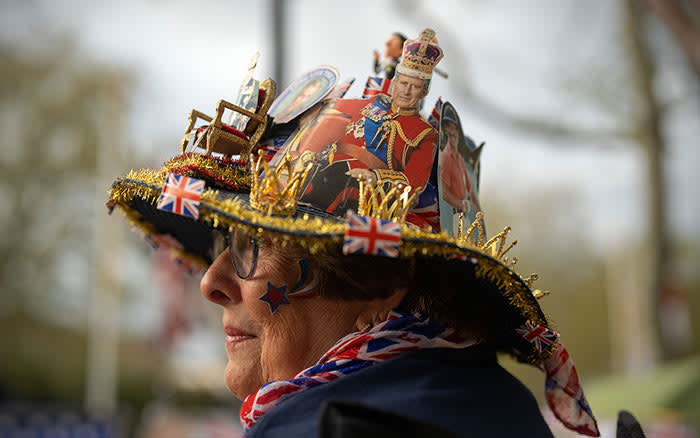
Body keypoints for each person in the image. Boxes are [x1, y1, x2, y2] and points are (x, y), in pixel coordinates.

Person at [107, 28, 600, 438]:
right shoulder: (496, 406)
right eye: (223, 243)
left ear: (380, 283)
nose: (210, 283)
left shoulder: (325, 427)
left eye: (252, 245)